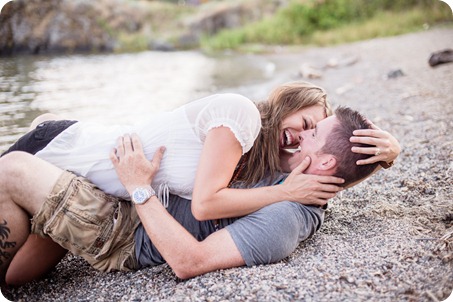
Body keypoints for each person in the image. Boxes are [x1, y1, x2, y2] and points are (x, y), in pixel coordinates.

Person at [0, 106, 400, 285]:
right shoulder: (300, 179)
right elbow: (340, 166)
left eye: (312, 134)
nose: (300, 139)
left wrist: (139, 186)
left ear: (324, 162)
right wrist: (387, 156)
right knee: (17, 277)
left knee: (12, 168)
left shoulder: (286, 220)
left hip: (122, 230)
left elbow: (190, 262)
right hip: (128, 200)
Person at [1, 82, 347, 223]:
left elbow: (330, 157)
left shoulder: (253, 156)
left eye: (310, 135)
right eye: (305, 123)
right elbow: (205, 205)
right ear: (289, 104)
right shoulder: (241, 115)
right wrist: (285, 192)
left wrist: (387, 152)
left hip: (75, 183)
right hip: (61, 149)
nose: (302, 138)